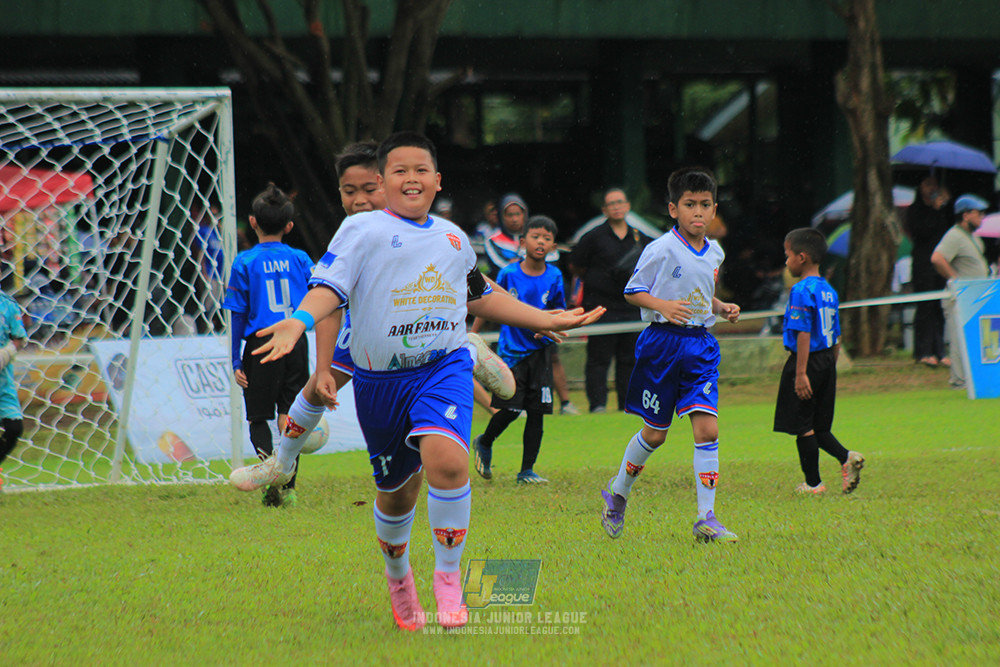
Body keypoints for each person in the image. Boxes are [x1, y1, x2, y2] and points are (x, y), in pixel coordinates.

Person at [228, 132, 604, 631]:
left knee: (448, 462)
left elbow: (479, 294)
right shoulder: (362, 231)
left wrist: (542, 318)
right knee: (398, 494)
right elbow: (328, 292)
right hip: (380, 378)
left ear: (437, 180)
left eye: (421, 170)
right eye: (399, 171)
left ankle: (448, 580)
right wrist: (298, 321)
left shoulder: (452, 238)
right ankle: (398, 576)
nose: (411, 179)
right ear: (384, 181)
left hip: (438, 367)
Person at [599, 168, 740, 543]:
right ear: (673, 209)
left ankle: (705, 517)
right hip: (661, 344)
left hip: (700, 345)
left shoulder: (716, 251)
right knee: (656, 435)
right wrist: (662, 304)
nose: (698, 212)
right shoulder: (659, 249)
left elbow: (699, 291)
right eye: (689, 205)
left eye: (705, 205)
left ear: (714, 210)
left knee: (707, 428)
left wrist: (720, 306)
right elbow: (633, 291)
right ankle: (619, 492)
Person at [222, 183, 314, 508]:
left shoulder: (244, 262)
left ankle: (268, 484)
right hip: (295, 340)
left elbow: (237, 313)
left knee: (258, 416)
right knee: (291, 414)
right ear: (289, 226)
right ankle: (288, 486)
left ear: (252, 222)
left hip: (261, 344)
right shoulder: (301, 259)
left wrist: (235, 358)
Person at [471, 215, 566, 484]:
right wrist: (473, 335)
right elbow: (485, 301)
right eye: (536, 237)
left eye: (547, 239)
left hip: (541, 353)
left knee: (538, 412)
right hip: (513, 353)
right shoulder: (508, 274)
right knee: (511, 409)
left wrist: (550, 326)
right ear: (523, 242)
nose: (541, 242)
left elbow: (558, 311)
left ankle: (526, 470)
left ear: (553, 246)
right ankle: (485, 441)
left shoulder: (555, 275)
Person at [773, 228, 865, 495]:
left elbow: (803, 332)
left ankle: (813, 484)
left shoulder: (801, 290)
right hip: (826, 361)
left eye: (788, 255)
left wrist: (801, 373)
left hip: (806, 362)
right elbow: (836, 334)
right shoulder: (829, 290)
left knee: (803, 426)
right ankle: (847, 457)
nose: (786, 261)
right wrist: (830, 368)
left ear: (801, 257)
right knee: (819, 426)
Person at [570, 187, 652, 413]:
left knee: (629, 359)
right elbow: (576, 265)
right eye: (611, 204)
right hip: (601, 308)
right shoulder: (592, 237)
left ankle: (628, 405)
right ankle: (597, 404)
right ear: (604, 210)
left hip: (630, 308)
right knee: (599, 359)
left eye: (620, 202)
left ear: (627, 206)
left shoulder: (639, 236)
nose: (616, 207)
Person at [931, 193, 992, 390]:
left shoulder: (972, 237)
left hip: (975, 298)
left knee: (975, 339)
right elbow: (937, 258)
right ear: (965, 215)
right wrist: (955, 280)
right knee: (959, 340)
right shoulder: (954, 235)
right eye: (978, 213)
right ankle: (958, 381)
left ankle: (972, 377)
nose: (982, 216)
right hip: (960, 298)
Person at [906, 175, 951, 367]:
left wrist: (943, 206)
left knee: (939, 307)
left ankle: (940, 351)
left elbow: (946, 232)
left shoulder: (942, 210)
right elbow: (921, 232)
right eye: (927, 184)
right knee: (925, 307)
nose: (931, 188)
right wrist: (932, 210)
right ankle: (923, 351)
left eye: (934, 184)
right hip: (922, 264)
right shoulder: (915, 210)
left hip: (939, 263)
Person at [0, 290, 26, 491]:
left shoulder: (7, 304)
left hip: (3, 382)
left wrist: (7, 352)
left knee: (14, 428)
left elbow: (18, 337)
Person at [193, 203, 225, 332]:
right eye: (212, 214)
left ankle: (219, 328)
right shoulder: (203, 231)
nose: (215, 217)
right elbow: (200, 254)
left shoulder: (219, 233)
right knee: (209, 305)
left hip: (222, 275)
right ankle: (206, 330)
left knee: (222, 304)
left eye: (217, 214)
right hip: (210, 274)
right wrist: (204, 274)